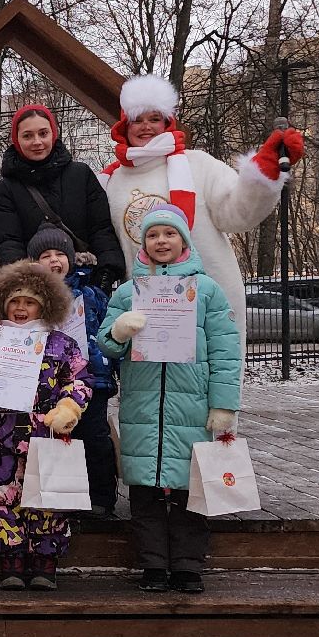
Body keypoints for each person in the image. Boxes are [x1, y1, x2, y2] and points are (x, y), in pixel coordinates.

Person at [96, 205, 243, 595]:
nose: (161, 241)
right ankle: (153, 566)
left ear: (184, 241)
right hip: (142, 407)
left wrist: (224, 404)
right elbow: (106, 345)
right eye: (153, 235)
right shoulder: (129, 292)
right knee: (144, 488)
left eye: (169, 234)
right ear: (143, 243)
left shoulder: (207, 290)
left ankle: (187, 565)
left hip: (191, 407)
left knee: (189, 487)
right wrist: (120, 332)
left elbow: (226, 351)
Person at [95, 74, 304, 336]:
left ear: (167, 123)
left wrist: (266, 170)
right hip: (147, 306)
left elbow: (238, 214)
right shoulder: (110, 180)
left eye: (154, 119)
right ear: (124, 126)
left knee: (214, 374)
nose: (145, 126)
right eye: (137, 120)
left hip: (210, 299)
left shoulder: (198, 164)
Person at [0, 262, 91, 591]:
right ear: (2, 303)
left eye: (29, 302)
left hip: (46, 430)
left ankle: (45, 561)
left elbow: (80, 380)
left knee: (48, 497)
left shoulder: (62, 344)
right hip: (0, 432)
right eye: (14, 301)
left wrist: (68, 406)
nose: (20, 308)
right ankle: (11, 560)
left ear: (43, 305)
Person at [31, 223, 121, 519]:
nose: (54, 260)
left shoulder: (91, 295)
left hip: (92, 379)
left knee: (94, 438)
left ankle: (101, 497)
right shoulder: (30, 298)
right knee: (55, 438)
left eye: (60, 254)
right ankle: (61, 494)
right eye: (46, 255)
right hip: (49, 384)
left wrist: (113, 368)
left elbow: (110, 332)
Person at [0, 102, 126, 282]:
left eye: (43, 133)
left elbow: (100, 228)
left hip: (86, 281)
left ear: (53, 134)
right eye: (28, 136)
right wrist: (23, 276)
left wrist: (106, 271)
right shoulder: (6, 189)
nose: (37, 142)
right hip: (36, 286)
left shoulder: (81, 175)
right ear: (17, 140)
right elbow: (8, 242)